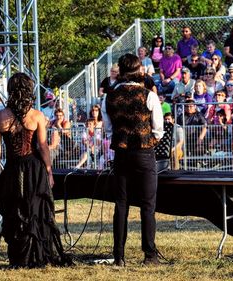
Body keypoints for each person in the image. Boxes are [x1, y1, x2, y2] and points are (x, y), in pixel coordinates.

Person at [0, 72, 72, 268]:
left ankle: (19, 258)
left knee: (15, 209)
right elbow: (43, 147)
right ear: (28, 91)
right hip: (34, 168)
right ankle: (39, 256)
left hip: (12, 168)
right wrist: (49, 171)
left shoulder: (0, 116)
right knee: (36, 209)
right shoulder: (36, 115)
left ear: (10, 91)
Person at [101, 53, 164, 266]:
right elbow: (158, 130)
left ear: (120, 71)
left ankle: (119, 255)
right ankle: (149, 254)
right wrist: (147, 142)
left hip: (121, 154)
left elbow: (108, 129)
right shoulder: (149, 95)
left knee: (121, 205)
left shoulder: (108, 96)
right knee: (147, 205)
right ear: (138, 70)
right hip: (144, 153)